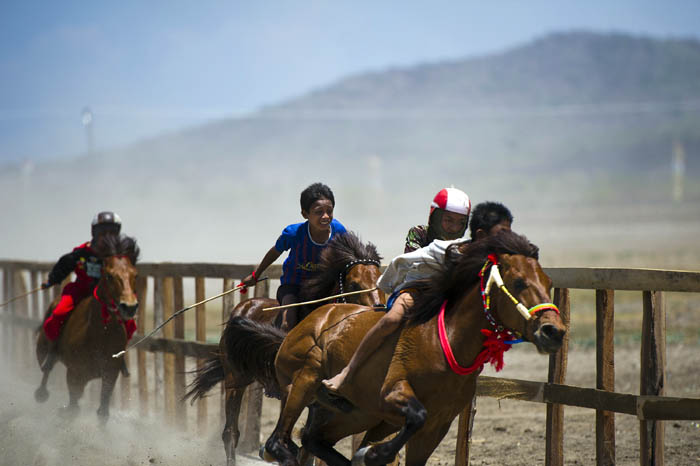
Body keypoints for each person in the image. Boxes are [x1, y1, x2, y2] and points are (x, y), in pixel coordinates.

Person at [323, 201, 514, 398]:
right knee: (392, 319)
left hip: (446, 297)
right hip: (417, 289)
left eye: (459, 222)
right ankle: (347, 372)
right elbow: (400, 263)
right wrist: (386, 285)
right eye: (448, 220)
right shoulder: (444, 248)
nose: (454, 227)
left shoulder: (493, 260)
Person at [241, 182, 347, 331]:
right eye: (318, 212)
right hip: (294, 286)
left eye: (329, 211)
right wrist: (255, 275)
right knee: (287, 324)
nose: (325, 216)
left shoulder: (339, 231)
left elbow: (349, 257)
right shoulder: (293, 234)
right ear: (305, 214)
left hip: (325, 288)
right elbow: (274, 252)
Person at [40, 211, 123, 371]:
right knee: (59, 312)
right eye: (102, 233)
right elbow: (65, 265)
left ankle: (120, 357)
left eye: (111, 233)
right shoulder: (82, 252)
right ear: (94, 234)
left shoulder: (117, 258)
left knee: (128, 322)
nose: (107, 237)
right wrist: (51, 280)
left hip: (105, 296)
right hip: (80, 290)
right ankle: (54, 349)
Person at [404, 187, 471, 253]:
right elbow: (411, 261)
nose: (454, 228)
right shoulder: (420, 234)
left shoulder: (466, 247)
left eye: (461, 223)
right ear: (436, 219)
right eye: (449, 220)